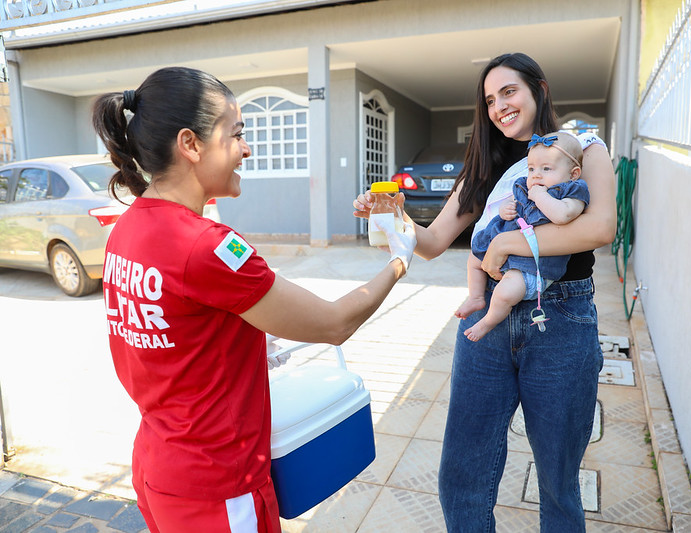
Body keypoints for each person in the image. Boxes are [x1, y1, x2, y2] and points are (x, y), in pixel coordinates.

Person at [93, 66, 415, 533]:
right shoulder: (207, 246)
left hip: (159, 466)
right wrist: (399, 261)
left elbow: (173, 331)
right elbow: (332, 324)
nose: (247, 148)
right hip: (219, 483)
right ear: (191, 144)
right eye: (236, 134)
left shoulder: (128, 228)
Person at [353, 52, 616, 532]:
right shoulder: (485, 164)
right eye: (490, 100)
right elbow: (432, 242)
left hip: (561, 318)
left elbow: (599, 228)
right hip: (485, 325)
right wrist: (392, 210)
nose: (499, 107)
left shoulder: (581, 147)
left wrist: (507, 242)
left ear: (539, 88)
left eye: (509, 92)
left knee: (559, 480)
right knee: (463, 474)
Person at [456, 131, 588, 341]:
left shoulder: (572, 191)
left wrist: (540, 196)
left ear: (573, 173)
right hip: (507, 248)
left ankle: (488, 322)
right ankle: (476, 296)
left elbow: (563, 215)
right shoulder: (524, 186)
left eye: (546, 169)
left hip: (532, 265)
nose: (536, 175)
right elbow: (516, 208)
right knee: (473, 259)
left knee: (504, 292)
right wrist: (505, 210)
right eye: (531, 168)